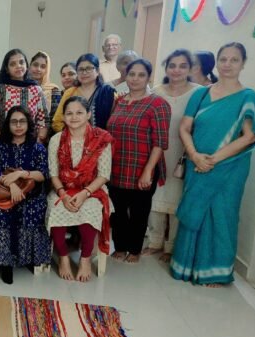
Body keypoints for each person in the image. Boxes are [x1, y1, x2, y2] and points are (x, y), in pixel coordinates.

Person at [172, 42, 255, 287]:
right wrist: (195, 156)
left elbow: (250, 136)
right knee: (194, 212)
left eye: (234, 60)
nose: (227, 65)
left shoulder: (248, 97)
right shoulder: (201, 93)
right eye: (223, 59)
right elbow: (185, 127)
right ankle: (186, 266)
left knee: (222, 216)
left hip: (229, 169)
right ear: (217, 62)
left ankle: (215, 273)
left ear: (243, 64)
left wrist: (213, 159)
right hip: (197, 163)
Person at [107, 59, 170, 264]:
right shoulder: (120, 101)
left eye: (141, 75)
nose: (135, 79)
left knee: (139, 212)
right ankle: (120, 246)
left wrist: (148, 171)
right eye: (131, 74)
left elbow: (160, 142)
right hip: (117, 165)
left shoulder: (158, 104)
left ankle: (134, 250)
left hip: (142, 166)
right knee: (117, 211)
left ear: (148, 77)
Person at [144, 50, 202, 262]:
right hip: (157, 150)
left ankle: (172, 246)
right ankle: (154, 242)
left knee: (178, 198)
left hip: (184, 151)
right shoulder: (155, 92)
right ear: (166, 67)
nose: (177, 70)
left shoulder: (199, 93)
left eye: (182, 65)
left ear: (190, 68)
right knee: (155, 196)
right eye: (172, 65)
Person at [47, 96, 113, 282]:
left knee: (89, 209)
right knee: (56, 207)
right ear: (64, 116)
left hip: (92, 189)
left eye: (79, 112)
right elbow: (53, 174)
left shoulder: (101, 139)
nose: (74, 117)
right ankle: (64, 258)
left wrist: (85, 194)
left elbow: (104, 175)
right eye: (69, 113)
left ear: (88, 114)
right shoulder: (56, 140)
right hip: (63, 188)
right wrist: (63, 194)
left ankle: (85, 259)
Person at [0, 106, 48, 284]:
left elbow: (42, 174)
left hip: (31, 195)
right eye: (13, 122)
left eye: (22, 121)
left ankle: (27, 257)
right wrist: (11, 185)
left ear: (29, 124)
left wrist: (20, 174)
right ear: (7, 125)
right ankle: (6, 263)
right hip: (3, 194)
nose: (18, 125)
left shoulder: (37, 147)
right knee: (0, 213)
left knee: (32, 209)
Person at [0, 49, 48, 142]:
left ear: (27, 65)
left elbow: (43, 121)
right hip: (3, 143)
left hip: (29, 145)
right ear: (7, 69)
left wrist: (38, 141)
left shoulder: (36, 90)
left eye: (21, 62)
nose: (18, 66)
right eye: (13, 64)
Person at [52, 54, 116, 131]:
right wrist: (72, 136)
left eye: (88, 68)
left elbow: (115, 123)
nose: (84, 73)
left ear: (98, 71)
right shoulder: (70, 93)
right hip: (73, 141)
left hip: (101, 141)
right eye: (80, 69)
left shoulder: (108, 93)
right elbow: (57, 122)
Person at [29, 51, 62, 132]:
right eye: (35, 65)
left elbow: (55, 118)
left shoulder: (54, 90)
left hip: (46, 135)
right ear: (30, 66)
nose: (38, 69)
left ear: (47, 70)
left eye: (43, 66)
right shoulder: (22, 88)